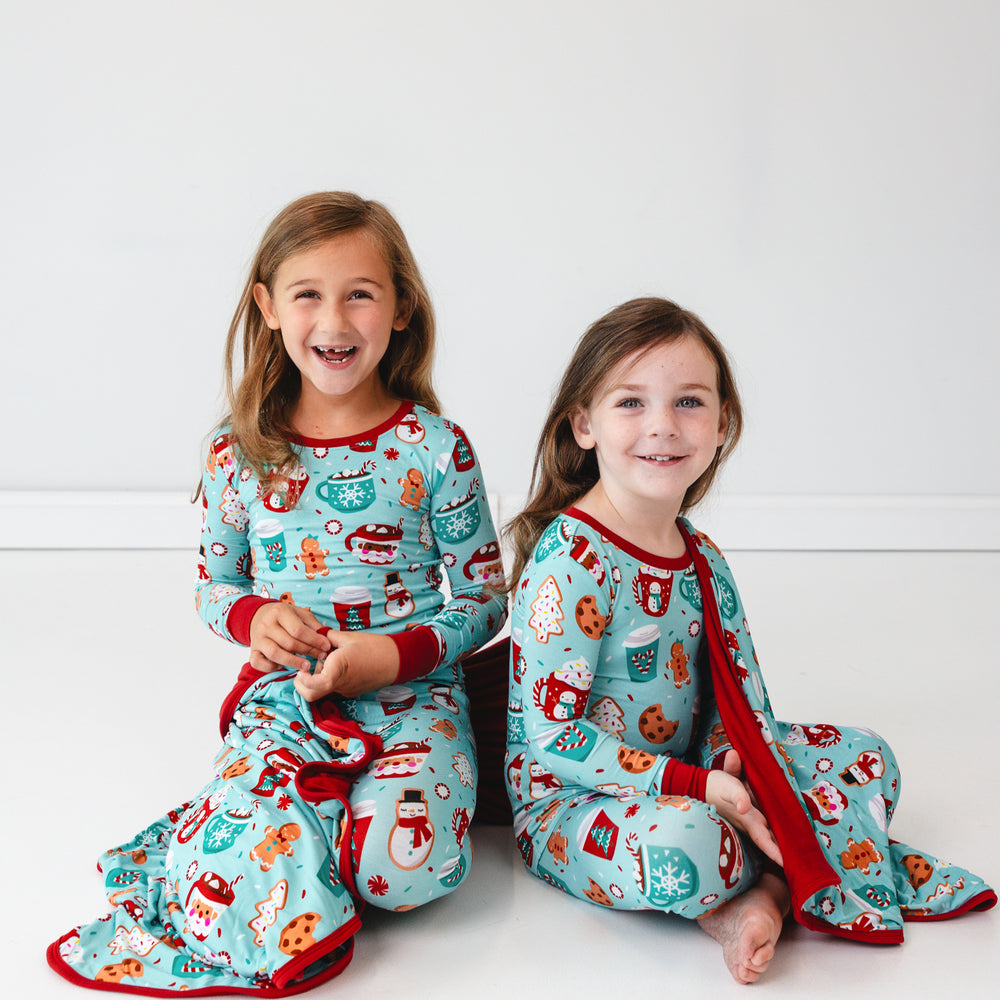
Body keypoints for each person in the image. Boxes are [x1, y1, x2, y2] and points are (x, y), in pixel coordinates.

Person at [48, 192, 507, 995]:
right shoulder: (238, 452)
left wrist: (394, 654)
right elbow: (213, 588)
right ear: (267, 307)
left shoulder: (434, 448)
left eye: (360, 292)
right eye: (308, 294)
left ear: (400, 308)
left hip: (416, 695)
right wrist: (255, 616)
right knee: (243, 840)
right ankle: (283, 823)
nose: (335, 319)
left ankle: (315, 838)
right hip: (284, 696)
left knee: (407, 874)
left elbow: (485, 598)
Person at [503, 297, 995, 984]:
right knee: (692, 847)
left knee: (868, 760)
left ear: (723, 422)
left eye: (690, 402)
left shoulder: (702, 556)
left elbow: (734, 703)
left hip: (695, 773)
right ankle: (756, 882)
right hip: (578, 801)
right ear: (583, 423)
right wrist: (699, 788)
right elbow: (551, 738)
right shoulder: (572, 561)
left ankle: (763, 887)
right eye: (631, 403)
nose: (663, 427)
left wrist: (732, 766)